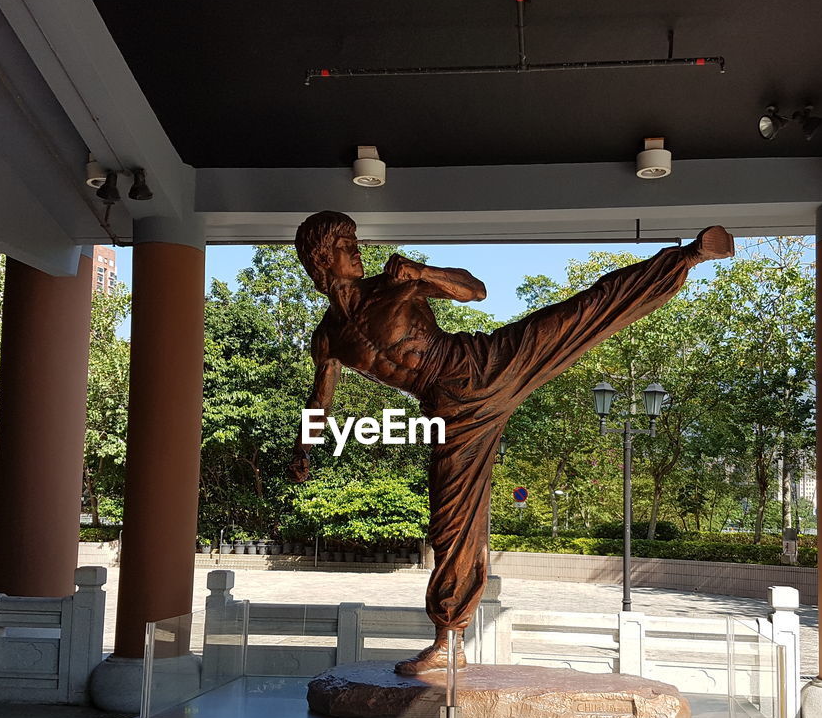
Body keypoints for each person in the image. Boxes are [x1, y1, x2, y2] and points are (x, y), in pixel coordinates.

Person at [289, 211, 734, 673]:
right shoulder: (329, 338)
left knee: (579, 314)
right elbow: (319, 399)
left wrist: (422, 273)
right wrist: (303, 447)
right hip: (450, 411)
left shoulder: (392, 284)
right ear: (322, 260)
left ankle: (689, 256)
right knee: (450, 525)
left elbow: (474, 290)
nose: (357, 249)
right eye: (346, 244)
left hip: (483, 363)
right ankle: (449, 641)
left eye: (354, 240)